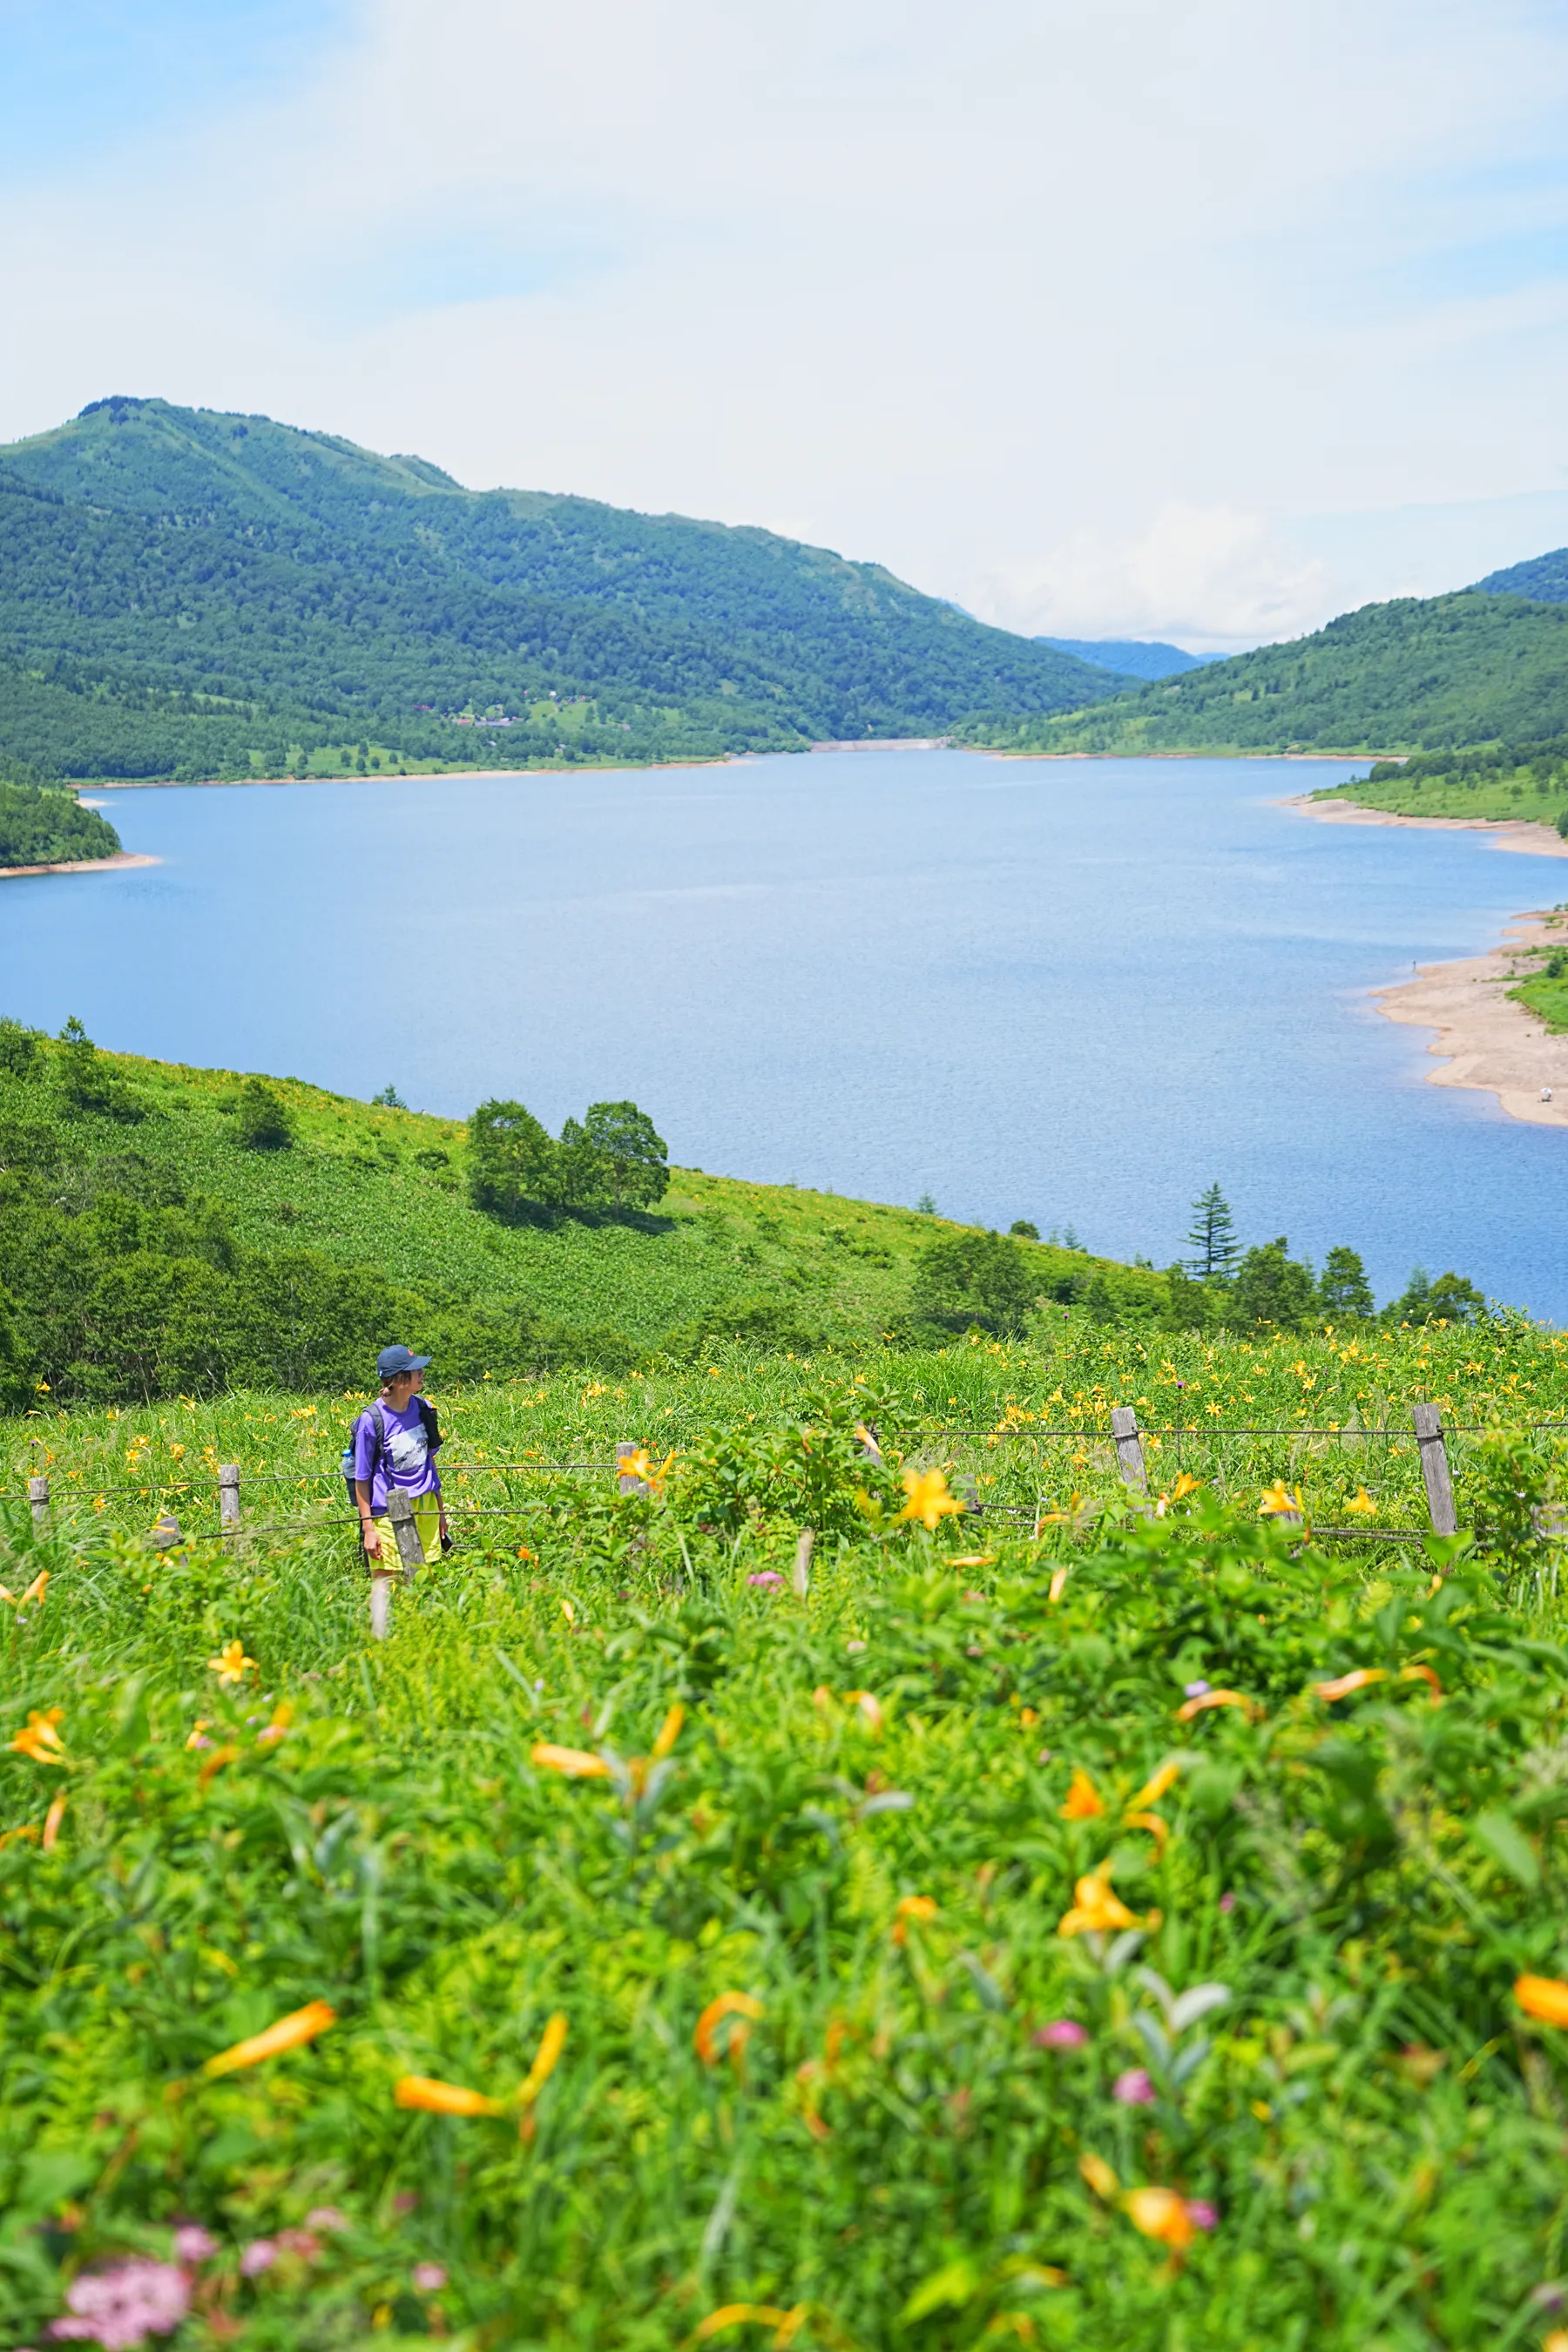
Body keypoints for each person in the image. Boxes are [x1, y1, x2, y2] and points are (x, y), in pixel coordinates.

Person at [352, 1343, 449, 1567]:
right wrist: (368, 1528)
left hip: (427, 1507)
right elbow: (362, 1479)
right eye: (416, 1370)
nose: (422, 1373)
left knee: (425, 1582)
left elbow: (429, 1463)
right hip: (388, 1512)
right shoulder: (371, 1420)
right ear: (399, 1379)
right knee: (388, 1583)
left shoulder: (424, 1408)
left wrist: (441, 1512)